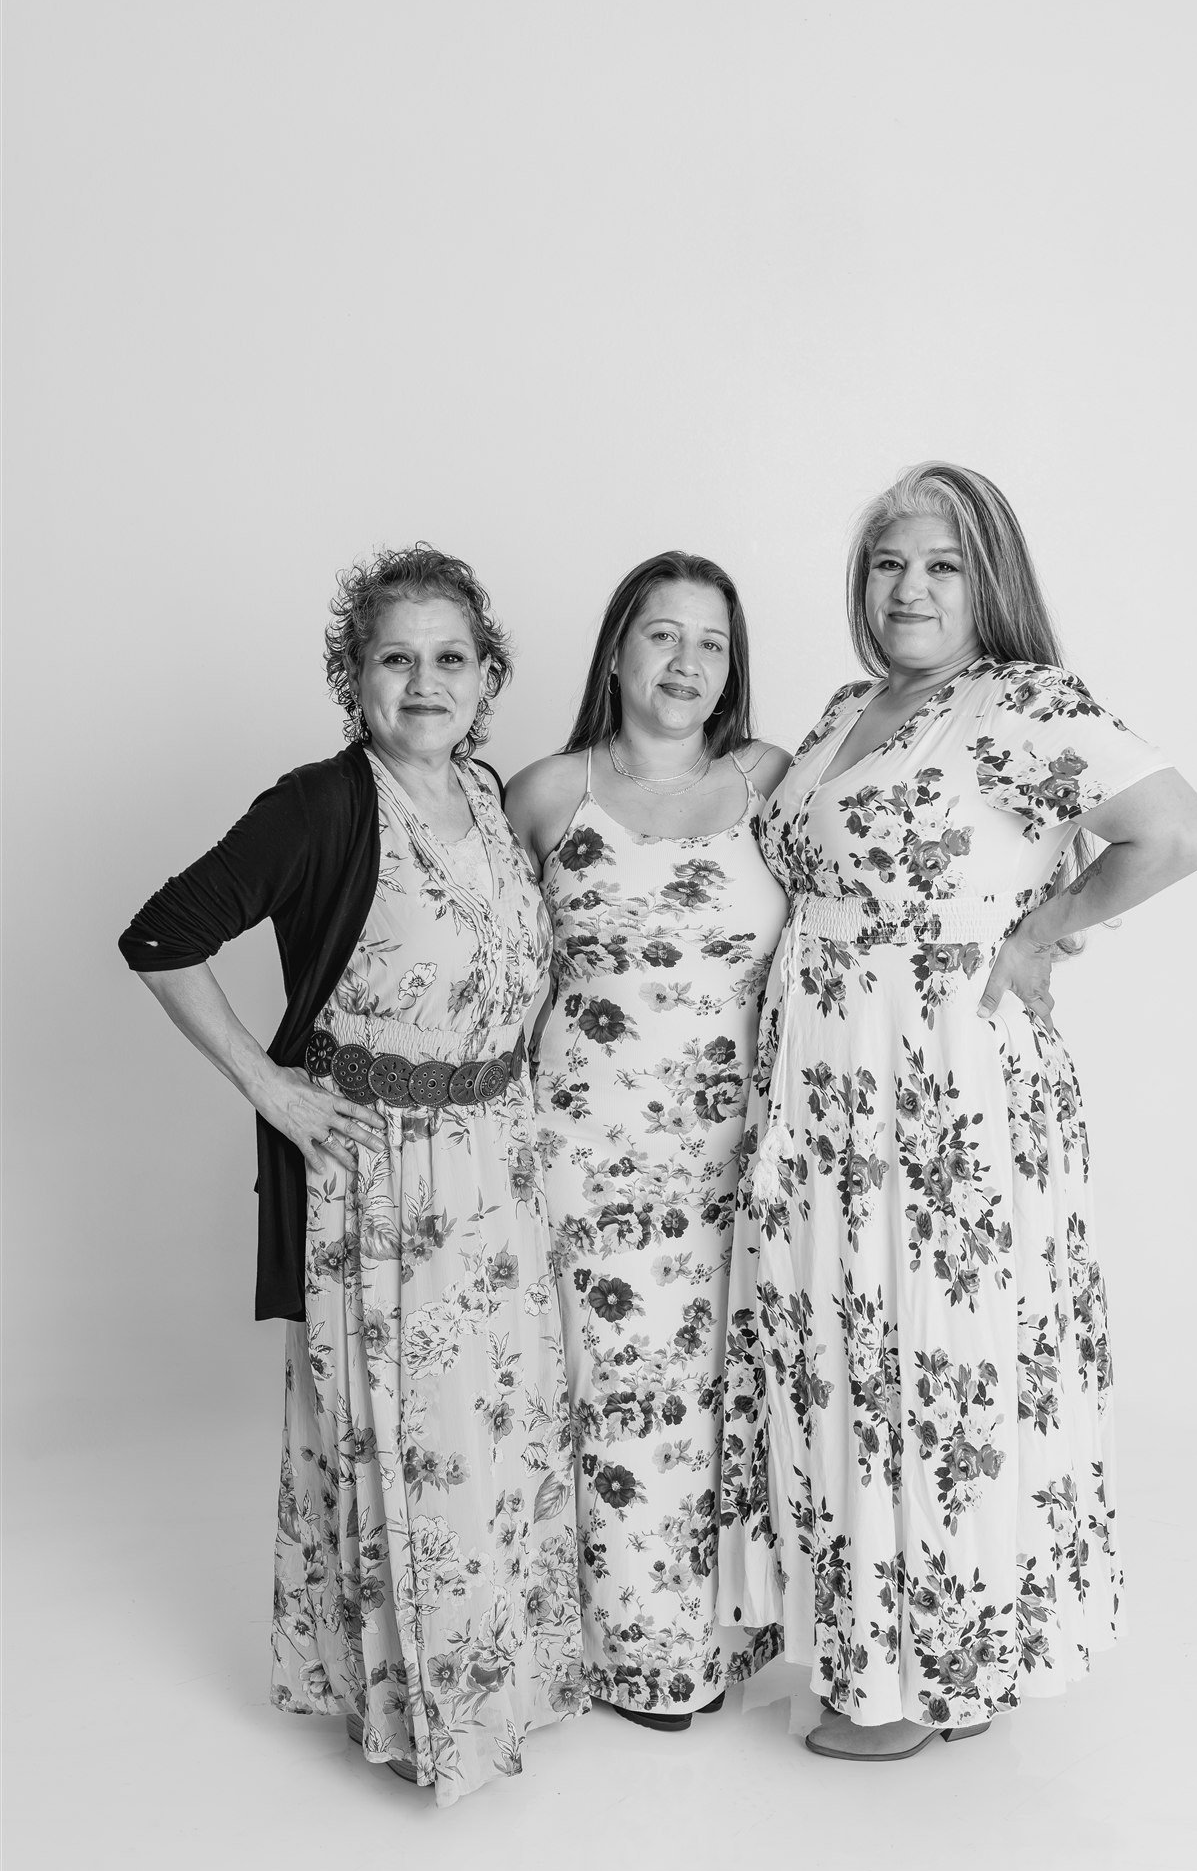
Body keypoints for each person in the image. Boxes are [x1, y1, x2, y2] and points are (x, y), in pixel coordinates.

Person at [718, 464, 1197, 1760]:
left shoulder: (1022, 703)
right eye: (888, 563)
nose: (909, 588)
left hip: (940, 1086)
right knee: (844, 1353)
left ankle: (932, 1675)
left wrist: (1042, 931)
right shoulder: (846, 710)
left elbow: (1176, 832)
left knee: (937, 1362)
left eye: (940, 564)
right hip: (824, 1087)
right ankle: (880, 1648)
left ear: (986, 579)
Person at [118, 544, 588, 1805]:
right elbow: (161, 935)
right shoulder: (322, 805)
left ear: (486, 676)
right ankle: (432, 1723)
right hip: (385, 1177)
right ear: (353, 676)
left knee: (496, 1436)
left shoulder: (484, 792)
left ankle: (508, 1684)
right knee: (413, 1454)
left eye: (450, 657)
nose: (424, 682)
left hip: (496, 1164)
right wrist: (268, 1085)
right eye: (395, 657)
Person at [506, 552, 791, 1729]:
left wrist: (1038, 929)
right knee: (613, 1405)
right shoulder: (545, 791)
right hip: (584, 1154)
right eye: (662, 633)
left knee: (724, 1398)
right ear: (617, 648)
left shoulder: (774, 779)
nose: (685, 661)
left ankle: (717, 1645)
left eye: (710, 641)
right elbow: (484, 958)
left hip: (739, 1156)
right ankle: (625, 1660)